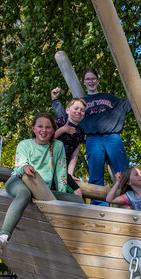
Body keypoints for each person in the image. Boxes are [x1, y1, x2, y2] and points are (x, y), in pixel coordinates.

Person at [0, 113, 85, 255]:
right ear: (33, 128)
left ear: (53, 130)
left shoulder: (58, 146)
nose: (43, 130)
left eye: (48, 127)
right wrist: (25, 167)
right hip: (20, 181)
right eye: (40, 126)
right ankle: (3, 237)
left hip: (41, 189)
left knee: (77, 200)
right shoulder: (25, 144)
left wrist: (62, 198)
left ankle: (75, 241)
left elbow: (61, 174)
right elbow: (20, 165)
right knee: (24, 194)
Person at [51, 68, 132, 203]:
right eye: (88, 79)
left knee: (123, 171)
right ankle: (99, 205)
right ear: (84, 82)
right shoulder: (82, 102)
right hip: (93, 139)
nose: (91, 81)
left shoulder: (109, 97)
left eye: (93, 78)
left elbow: (128, 105)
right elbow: (66, 115)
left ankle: (129, 201)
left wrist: (135, 87)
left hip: (112, 136)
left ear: (98, 81)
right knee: (95, 175)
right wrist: (55, 100)